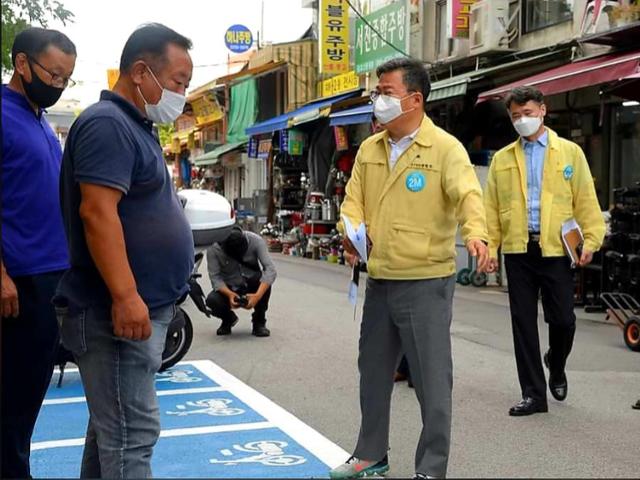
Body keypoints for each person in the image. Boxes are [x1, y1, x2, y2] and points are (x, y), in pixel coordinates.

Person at [331, 57, 489, 480]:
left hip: (426, 281)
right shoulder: (370, 148)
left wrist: (478, 235)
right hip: (380, 279)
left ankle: (431, 468)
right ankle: (371, 455)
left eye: (386, 92)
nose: (378, 100)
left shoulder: (445, 149)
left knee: (432, 381)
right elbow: (353, 200)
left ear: (415, 99)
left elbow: (468, 195)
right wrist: (351, 231)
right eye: (376, 92)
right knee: (373, 373)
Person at [56, 23, 194, 478]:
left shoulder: (135, 125)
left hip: (136, 308)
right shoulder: (108, 124)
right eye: (177, 82)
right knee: (131, 437)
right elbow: (97, 213)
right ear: (141, 72)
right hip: (112, 314)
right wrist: (125, 294)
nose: (182, 94)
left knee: (112, 433)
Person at [484, 86, 605, 417]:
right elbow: (491, 207)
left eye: (528, 113)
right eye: (515, 116)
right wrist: (489, 246)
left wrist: (591, 240)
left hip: (556, 249)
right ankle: (534, 395)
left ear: (543, 110)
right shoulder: (503, 159)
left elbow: (586, 200)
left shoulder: (569, 153)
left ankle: (557, 361)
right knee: (522, 322)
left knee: (564, 320)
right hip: (518, 250)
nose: (522, 120)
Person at [1, 27, 76, 479]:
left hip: (49, 282)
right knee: (9, 407)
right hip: (18, 284)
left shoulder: (37, 118)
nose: (59, 84)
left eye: (67, 78)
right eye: (53, 73)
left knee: (25, 403)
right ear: (22, 64)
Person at [206, 226, 277, 337]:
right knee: (212, 300)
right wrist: (229, 294)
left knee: (263, 282)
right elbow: (215, 278)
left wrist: (257, 296)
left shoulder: (256, 241)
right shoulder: (213, 248)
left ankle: (259, 321)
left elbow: (270, 270)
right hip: (229, 286)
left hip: (251, 284)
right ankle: (228, 319)